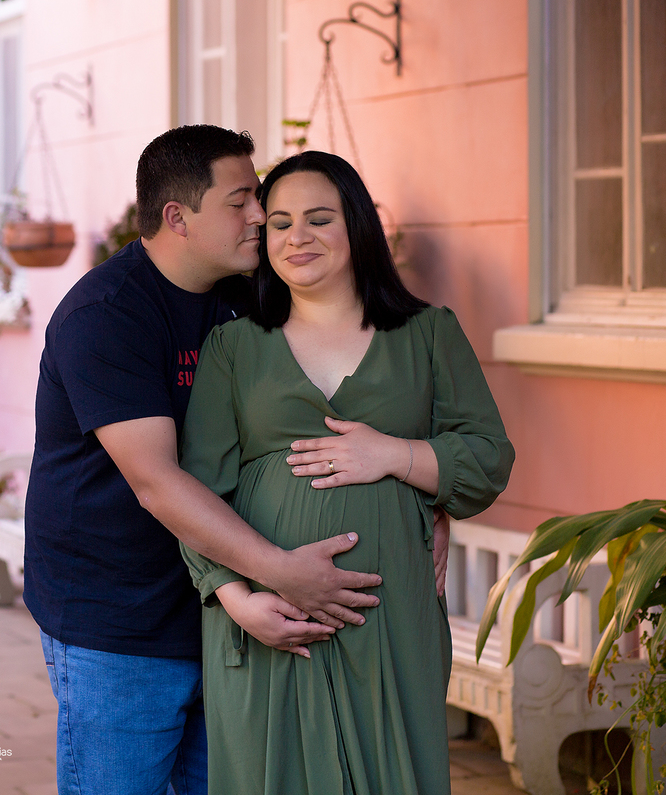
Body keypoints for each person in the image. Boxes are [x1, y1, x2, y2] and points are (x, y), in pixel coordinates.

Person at [25, 126, 438, 795]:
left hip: (231, 612)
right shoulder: (105, 316)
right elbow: (157, 482)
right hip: (119, 621)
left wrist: (426, 497)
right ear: (177, 218)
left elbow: (357, 403)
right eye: (241, 200)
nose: (260, 217)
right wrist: (280, 571)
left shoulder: (253, 298)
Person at [179, 150, 514, 794]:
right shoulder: (233, 346)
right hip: (268, 620)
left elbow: (488, 456)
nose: (297, 236)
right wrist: (238, 600)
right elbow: (198, 487)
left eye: (318, 218)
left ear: (357, 227)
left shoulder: (428, 334)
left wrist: (396, 456)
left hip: (390, 618)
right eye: (278, 223)